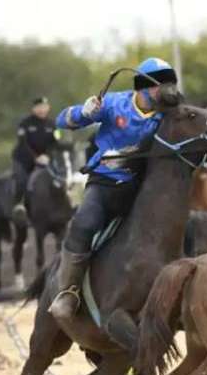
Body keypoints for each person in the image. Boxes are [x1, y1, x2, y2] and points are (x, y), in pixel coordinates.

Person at [47, 57, 179, 320]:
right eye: (160, 84)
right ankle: (68, 292)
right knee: (83, 225)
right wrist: (84, 113)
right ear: (143, 87)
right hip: (105, 183)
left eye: (170, 83)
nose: (167, 89)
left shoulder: (170, 114)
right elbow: (63, 120)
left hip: (145, 188)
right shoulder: (114, 104)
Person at [10, 97, 57, 220]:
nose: (42, 109)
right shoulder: (25, 123)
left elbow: (54, 144)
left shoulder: (52, 125)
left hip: (45, 160)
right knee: (22, 181)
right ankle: (18, 205)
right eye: (39, 107)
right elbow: (23, 143)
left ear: (48, 108)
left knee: (58, 179)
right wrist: (36, 158)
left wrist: (47, 156)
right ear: (33, 109)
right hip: (23, 160)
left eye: (44, 106)